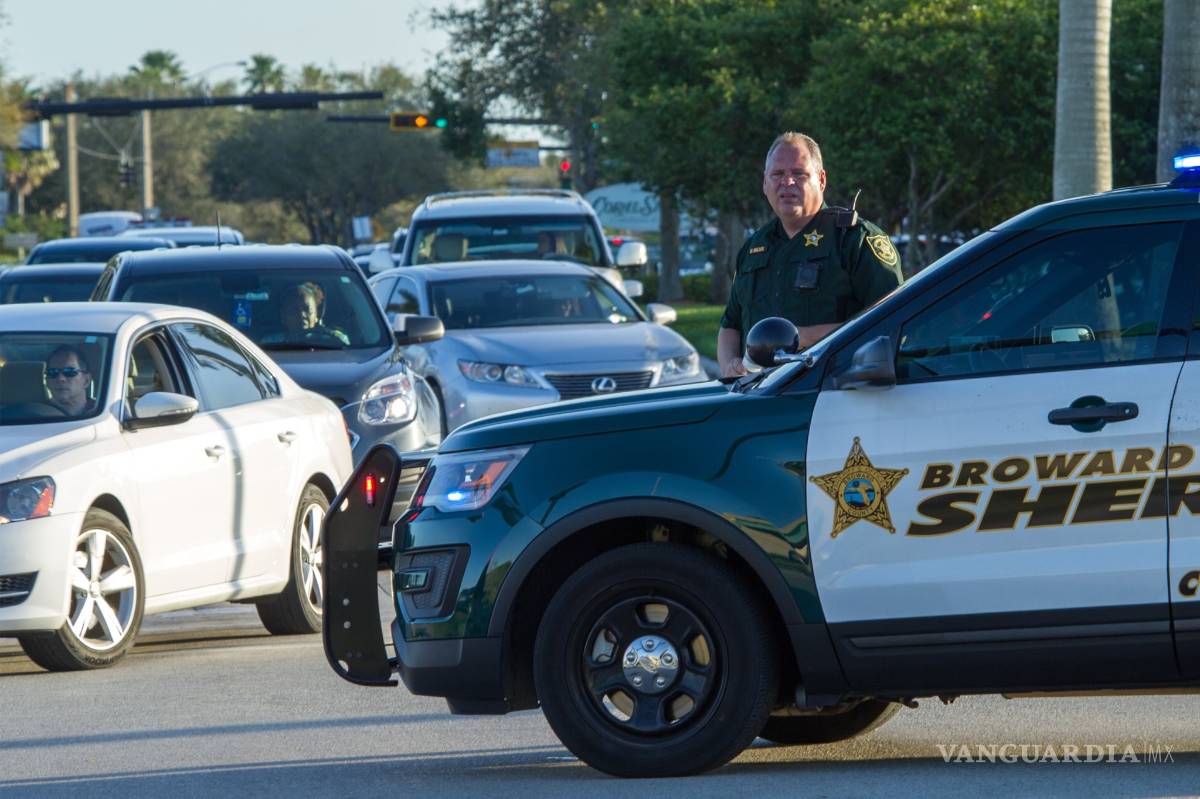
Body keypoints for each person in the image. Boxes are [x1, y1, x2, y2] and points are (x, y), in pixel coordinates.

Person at [717, 132, 904, 377]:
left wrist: (800, 337)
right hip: (759, 395)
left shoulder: (854, 240)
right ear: (764, 184)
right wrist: (730, 365)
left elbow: (895, 320)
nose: (788, 183)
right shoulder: (754, 247)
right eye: (777, 175)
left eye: (799, 174)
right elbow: (730, 325)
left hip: (833, 392)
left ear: (821, 180)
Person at [267, 282, 350, 346]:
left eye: (307, 309)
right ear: (283, 316)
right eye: (293, 311)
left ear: (317, 313)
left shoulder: (336, 339)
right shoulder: (269, 345)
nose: (302, 315)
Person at [45, 345, 96, 415]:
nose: (60, 379)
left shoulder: (102, 413)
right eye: (52, 372)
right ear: (47, 382)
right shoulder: (35, 414)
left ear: (86, 381)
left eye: (69, 371)